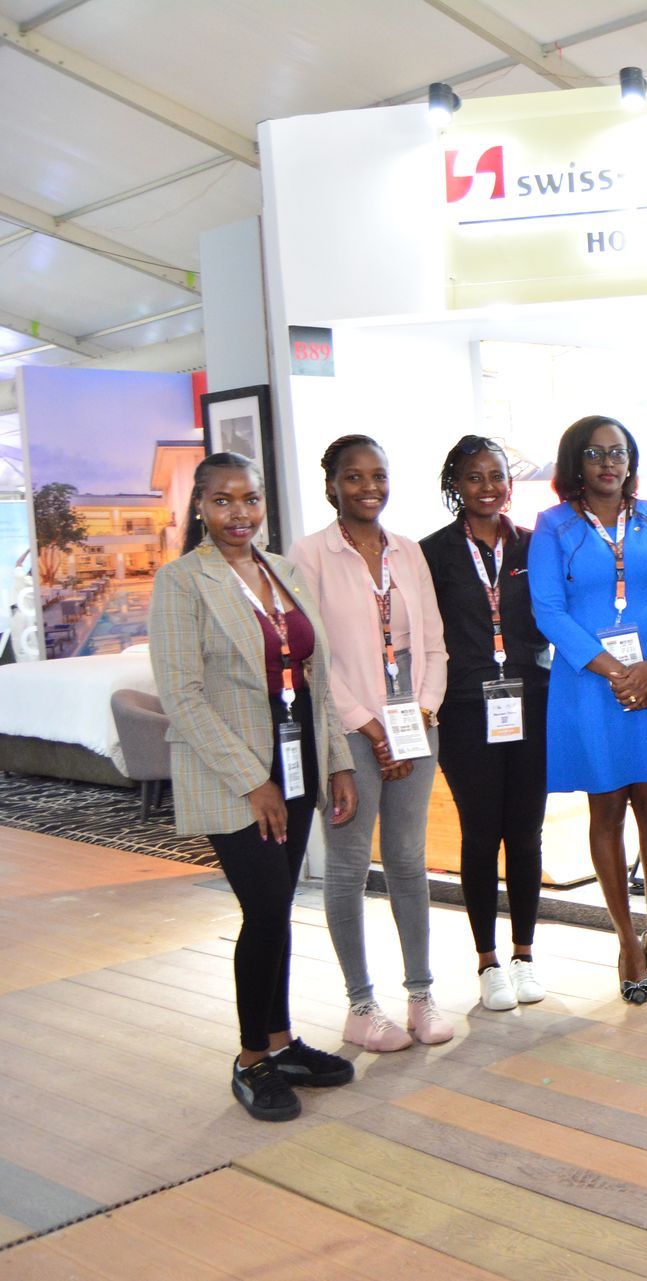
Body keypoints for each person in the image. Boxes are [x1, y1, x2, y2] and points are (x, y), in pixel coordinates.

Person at [150, 453, 358, 1120]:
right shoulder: (182, 581)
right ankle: (250, 1060)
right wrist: (251, 781)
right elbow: (182, 697)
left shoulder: (283, 572)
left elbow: (316, 679)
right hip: (232, 771)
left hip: (296, 756)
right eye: (223, 501)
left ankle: (281, 1041)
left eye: (250, 499)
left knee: (279, 904)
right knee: (265, 907)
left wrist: (338, 761)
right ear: (200, 507)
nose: (239, 514)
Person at [528, 415, 647, 1005]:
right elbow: (549, 610)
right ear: (575, 462)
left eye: (619, 452)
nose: (609, 463)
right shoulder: (553, 526)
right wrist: (616, 671)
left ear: (631, 461)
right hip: (591, 686)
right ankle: (626, 941)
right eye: (595, 453)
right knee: (605, 807)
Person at [293, 434, 451, 1052]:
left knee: (409, 859)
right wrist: (370, 724)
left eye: (379, 475)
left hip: (415, 722)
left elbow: (433, 642)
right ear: (331, 485)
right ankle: (361, 1006)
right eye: (354, 477)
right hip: (346, 730)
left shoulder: (409, 552)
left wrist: (423, 712)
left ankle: (420, 995)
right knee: (350, 864)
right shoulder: (309, 555)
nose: (369, 487)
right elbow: (313, 656)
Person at [421, 435, 549, 1013]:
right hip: (466, 709)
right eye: (474, 477)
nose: (488, 487)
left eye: (497, 475)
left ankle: (524, 955)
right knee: (480, 833)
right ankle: (488, 962)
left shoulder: (533, 545)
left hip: (531, 700)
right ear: (456, 485)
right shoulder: (433, 554)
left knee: (525, 832)